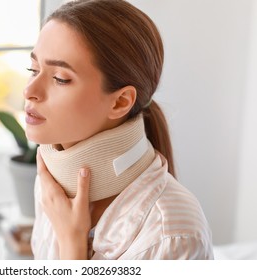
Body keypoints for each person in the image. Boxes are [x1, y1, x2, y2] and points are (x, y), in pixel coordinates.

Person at [23, 0, 213, 259]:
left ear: (121, 101)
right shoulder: (51, 185)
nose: (29, 91)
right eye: (33, 69)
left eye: (60, 79)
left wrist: (71, 244)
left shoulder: (171, 233)